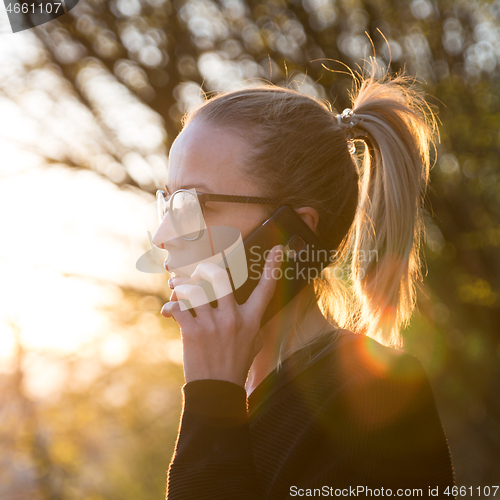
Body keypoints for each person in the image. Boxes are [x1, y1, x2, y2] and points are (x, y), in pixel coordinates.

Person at [152, 66, 456, 499]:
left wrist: (213, 404)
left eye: (195, 205)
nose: (163, 236)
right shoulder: (233, 392)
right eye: (168, 202)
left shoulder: (375, 399)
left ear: (290, 236)